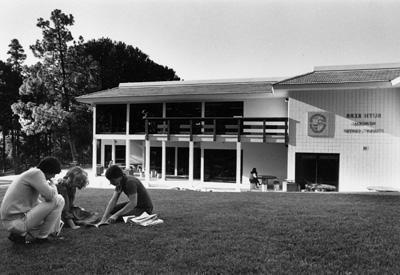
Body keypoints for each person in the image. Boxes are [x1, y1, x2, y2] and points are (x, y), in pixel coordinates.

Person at [0, 157, 65, 244]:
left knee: (52, 215)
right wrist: (53, 185)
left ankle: (19, 235)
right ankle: (42, 237)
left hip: (11, 221)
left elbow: (36, 203)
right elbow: (50, 196)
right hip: (16, 221)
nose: (53, 176)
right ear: (49, 170)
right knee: (59, 199)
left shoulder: (32, 173)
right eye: (54, 174)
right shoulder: (37, 173)